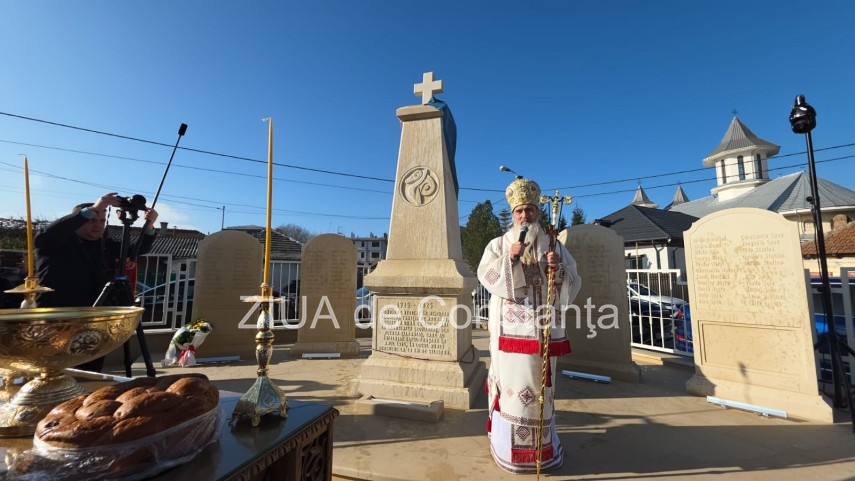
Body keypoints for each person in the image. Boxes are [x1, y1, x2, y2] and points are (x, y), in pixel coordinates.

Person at [477, 177, 581, 474]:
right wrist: (509, 261)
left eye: (530, 210)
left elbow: (572, 281)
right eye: (519, 211)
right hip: (510, 339)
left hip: (544, 332)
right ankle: (509, 449)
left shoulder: (553, 244)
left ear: (539, 212)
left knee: (542, 391)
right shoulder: (498, 244)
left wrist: (556, 268)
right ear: (513, 215)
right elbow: (488, 277)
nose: (525, 215)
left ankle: (543, 449)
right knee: (513, 390)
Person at [35, 192, 158, 371]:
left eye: (102, 221)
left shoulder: (104, 244)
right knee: (56, 373)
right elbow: (44, 238)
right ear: (77, 220)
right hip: (59, 320)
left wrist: (149, 226)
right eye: (91, 220)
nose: (97, 226)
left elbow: (134, 251)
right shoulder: (58, 242)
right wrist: (93, 209)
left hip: (94, 321)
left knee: (91, 371)